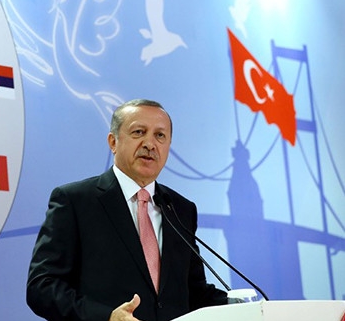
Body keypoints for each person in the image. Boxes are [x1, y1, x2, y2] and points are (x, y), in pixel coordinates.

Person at [26, 99, 228, 321]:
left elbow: (194, 292)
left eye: (160, 135)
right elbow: (42, 287)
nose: (150, 144)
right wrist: (107, 317)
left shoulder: (180, 209)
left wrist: (243, 305)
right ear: (113, 142)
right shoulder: (76, 201)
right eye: (139, 132)